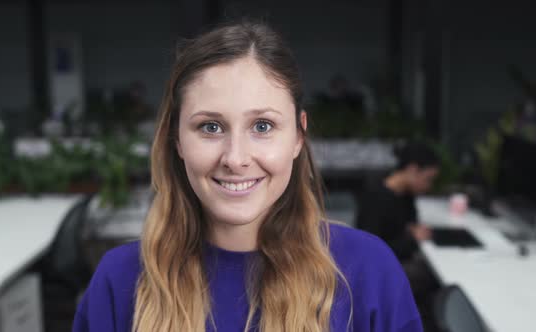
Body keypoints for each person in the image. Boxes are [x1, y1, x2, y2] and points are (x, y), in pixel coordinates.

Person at [73, 21, 422, 332]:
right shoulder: (117, 283)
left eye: (262, 126)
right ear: (177, 139)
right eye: (210, 127)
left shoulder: (371, 275)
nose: (236, 158)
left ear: (298, 137)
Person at [355, 141, 441, 330]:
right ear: (412, 169)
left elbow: (410, 222)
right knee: (433, 279)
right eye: (428, 178)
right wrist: (411, 239)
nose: (428, 186)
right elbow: (372, 254)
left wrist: (411, 234)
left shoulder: (405, 194)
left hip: (396, 261)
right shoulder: (376, 198)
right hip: (379, 273)